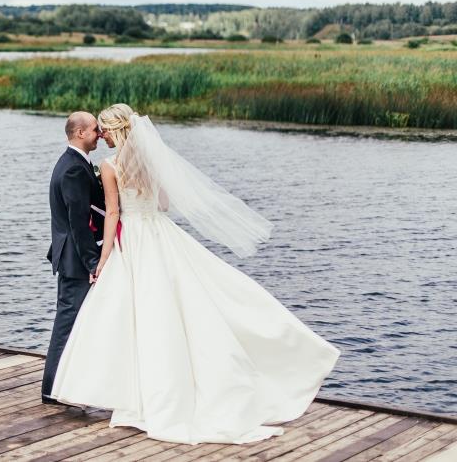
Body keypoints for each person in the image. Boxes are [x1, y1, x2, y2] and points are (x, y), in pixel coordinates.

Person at [48, 103, 340, 445]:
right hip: (159, 233)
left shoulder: (110, 166)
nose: (103, 136)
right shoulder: (149, 161)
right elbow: (164, 204)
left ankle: (137, 392)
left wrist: (104, 257)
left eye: (106, 130)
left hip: (135, 241)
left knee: (141, 311)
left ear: (116, 129)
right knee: (187, 298)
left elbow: (112, 214)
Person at [41, 111, 107, 404]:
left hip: (72, 255)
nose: (100, 134)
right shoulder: (73, 169)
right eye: (95, 129)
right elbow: (78, 222)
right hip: (75, 259)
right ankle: (51, 390)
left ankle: (65, 386)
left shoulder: (76, 163)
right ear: (80, 133)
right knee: (67, 323)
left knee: (72, 321)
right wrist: (93, 262)